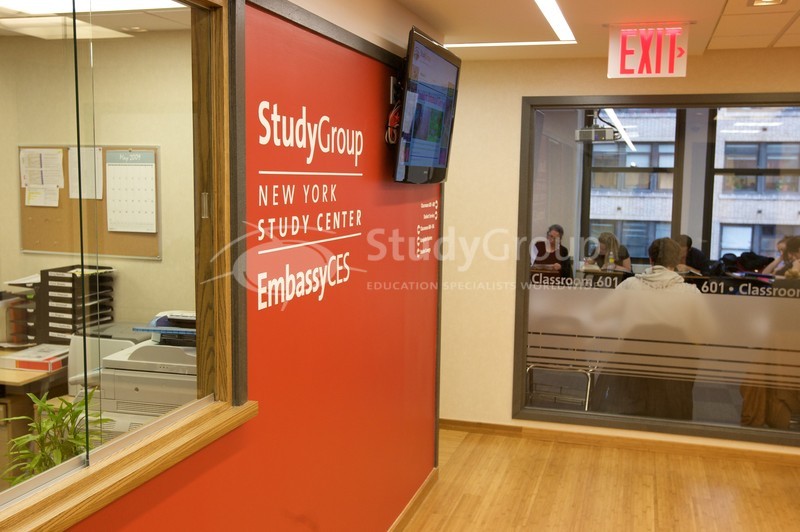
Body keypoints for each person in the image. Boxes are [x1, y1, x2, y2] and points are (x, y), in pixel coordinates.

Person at [617, 237, 700, 293]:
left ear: (650, 260)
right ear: (676, 262)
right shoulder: (691, 291)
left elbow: (611, 310)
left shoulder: (628, 285)